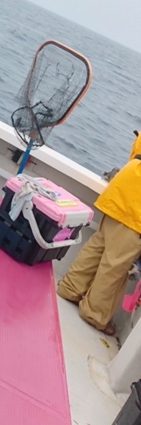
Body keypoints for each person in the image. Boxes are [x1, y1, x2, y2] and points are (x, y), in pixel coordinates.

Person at [57, 130, 141, 335]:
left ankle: (69, 289)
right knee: (114, 266)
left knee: (97, 247)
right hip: (136, 209)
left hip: (121, 190)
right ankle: (94, 314)